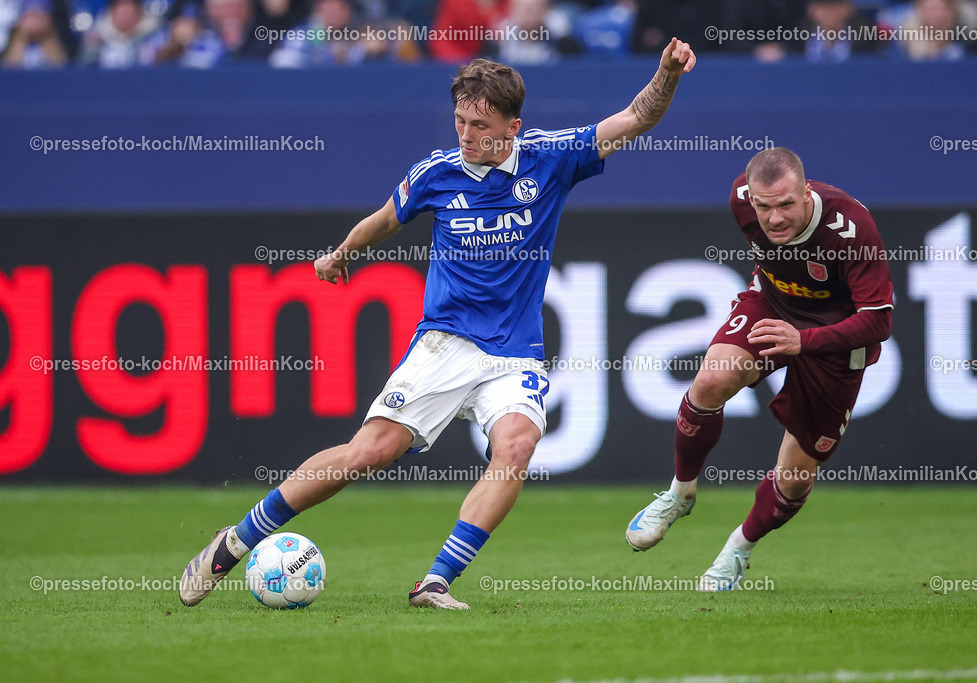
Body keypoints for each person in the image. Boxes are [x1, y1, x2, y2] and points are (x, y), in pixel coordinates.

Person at [180, 38, 697, 610]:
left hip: (514, 352)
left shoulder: (554, 157)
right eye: (459, 120)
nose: (467, 134)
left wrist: (666, 72)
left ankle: (435, 581)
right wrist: (342, 255)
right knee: (365, 456)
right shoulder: (437, 174)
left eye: (480, 124)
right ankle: (233, 542)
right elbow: (383, 221)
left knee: (517, 449)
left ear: (513, 127)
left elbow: (639, 117)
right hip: (445, 344)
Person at [625, 147, 894, 591]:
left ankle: (738, 547)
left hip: (836, 342)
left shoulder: (851, 226)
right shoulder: (740, 199)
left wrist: (803, 340)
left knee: (793, 478)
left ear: (806, 193)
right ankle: (679, 493)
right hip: (771, 307)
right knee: (711, 380)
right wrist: (786, 324)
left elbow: (879, 319)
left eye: (786, 204)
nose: (774, 219)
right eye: (764, 207)